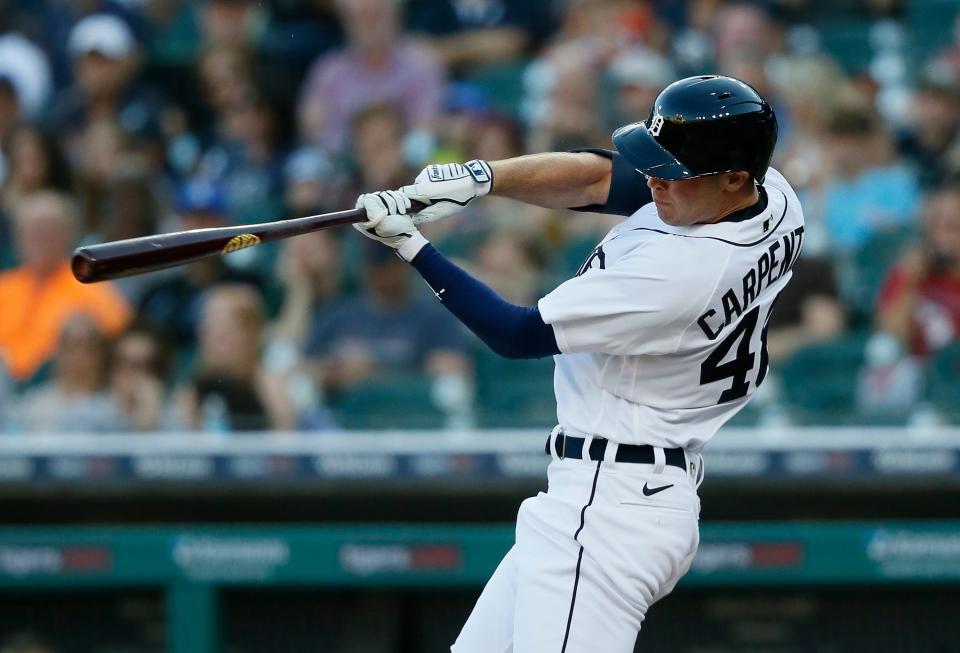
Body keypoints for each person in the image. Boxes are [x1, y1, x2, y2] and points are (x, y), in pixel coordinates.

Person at [353, 75, 802, 650]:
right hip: (614, 492)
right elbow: (601, 177)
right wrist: (483, 177)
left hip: (613, 504)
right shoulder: (775, 198)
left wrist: (412, 246)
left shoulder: (681, 274)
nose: (655, 182)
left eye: (674, 173)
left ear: (735, 176)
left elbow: (517, 335)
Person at [0, 190, 130, 383]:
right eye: (33, 231)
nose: (41, 239)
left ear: (69, 235)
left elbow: (114, 333)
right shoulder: (5, 285)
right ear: (19, 238)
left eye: (50, 231)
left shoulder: (89, 286)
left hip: (60, 389)